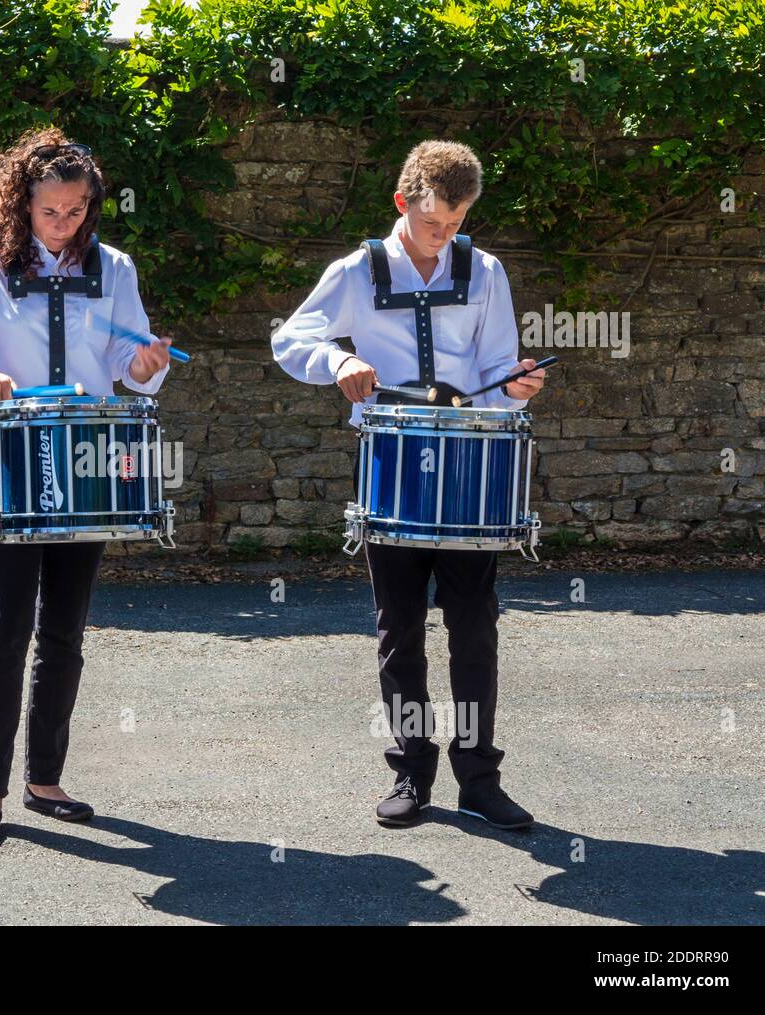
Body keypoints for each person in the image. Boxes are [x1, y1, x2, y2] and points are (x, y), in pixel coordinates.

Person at [271, 140, 546, 831]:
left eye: (455, 224)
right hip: (390, 464)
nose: (444, 236)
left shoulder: (485, 271)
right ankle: (410, 770)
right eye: (433, 224)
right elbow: (290, 338)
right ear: (403, 203)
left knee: (474, 628)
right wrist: (336, 359)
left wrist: (517, 385)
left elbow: (496, 376)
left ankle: (480, 776)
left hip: (465, 469)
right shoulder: (355, 272)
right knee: (400, 630)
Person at [0, 127, 173, 841]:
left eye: (77, 210)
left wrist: (146, 363)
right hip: (10, 453)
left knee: (65, 628)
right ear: (21, 203)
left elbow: (127, 352)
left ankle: (44, 777)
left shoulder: (114, 267)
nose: (65, 224)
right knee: (6, 625)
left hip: (87, 453)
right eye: (51, 211)